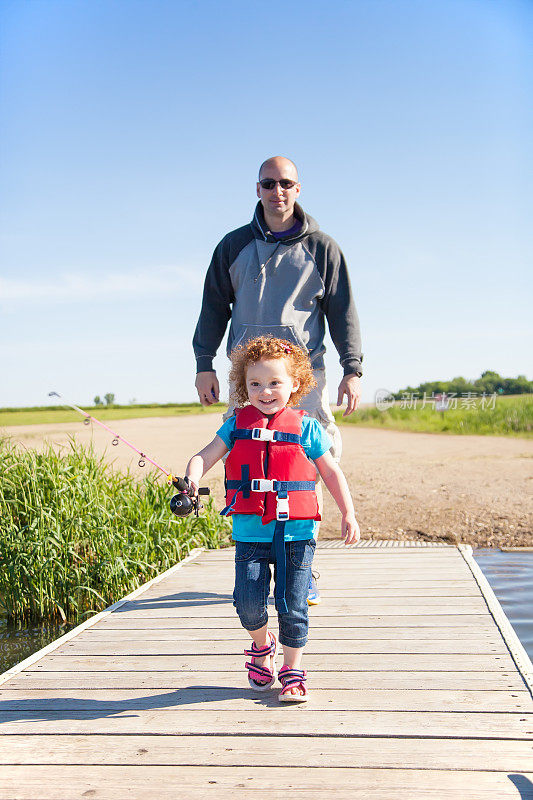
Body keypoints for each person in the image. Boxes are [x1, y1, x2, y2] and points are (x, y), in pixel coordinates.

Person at [193, 156, 363, 604]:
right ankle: (255, 562)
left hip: (302, 377)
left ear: (298, 189)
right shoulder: (233, 246)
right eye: (268, 183)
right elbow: (213, 308)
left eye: (285, 183)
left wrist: (353, 369)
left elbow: (343, 312)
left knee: (308, 459)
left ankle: (305, 568)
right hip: (246, 377)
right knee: (247, 452)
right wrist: (203, 363)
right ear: (258, 190)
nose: (277, 191)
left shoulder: (323, 248)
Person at [184, 336, 360, 702]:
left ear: (295, 384)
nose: (264, 391)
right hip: (250, 534)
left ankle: (293, 668)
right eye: (255, 384)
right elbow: (204, 456)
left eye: (274, 382)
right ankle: (262, 647)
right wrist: (192, 478)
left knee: (292, 605)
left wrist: (348, 512)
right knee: (248, 604)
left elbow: (330, 472)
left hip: (297, 534)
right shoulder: (235, 425)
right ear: (243, 386)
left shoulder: (308, 427)